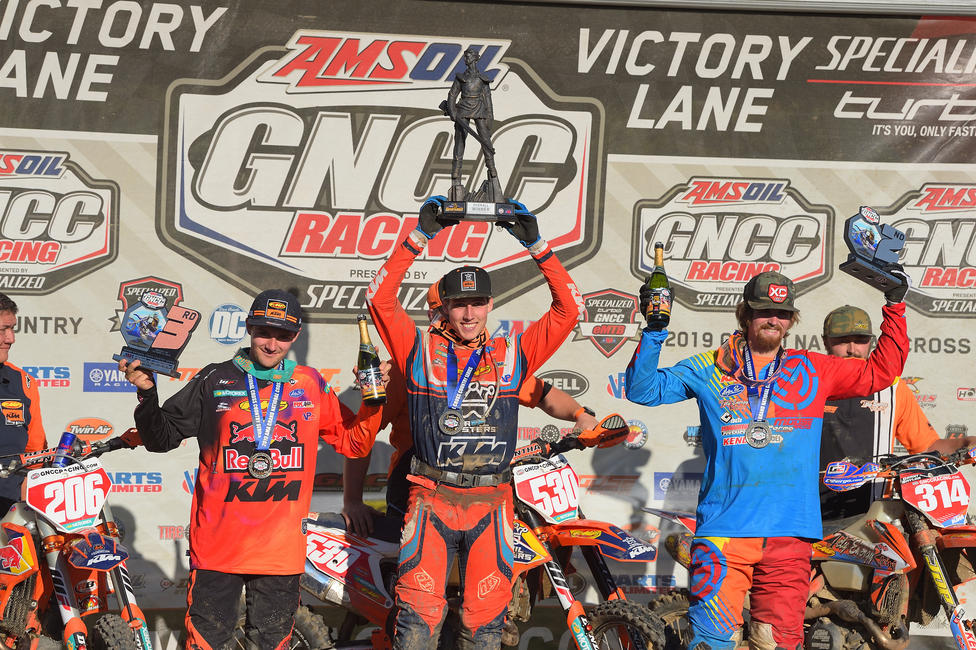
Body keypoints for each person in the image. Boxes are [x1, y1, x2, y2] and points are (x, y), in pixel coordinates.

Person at [625, 270, 910, 650]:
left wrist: (895, 303)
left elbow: (881, 371)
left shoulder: (813, 368)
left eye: (782, 312)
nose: (773, 320)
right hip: (724, 535)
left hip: (790, 536)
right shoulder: (708, 367)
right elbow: (642, 390)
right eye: (763, 311)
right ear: (745, 314)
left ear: (791, 320)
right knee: (711, 643)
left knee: (777, 644)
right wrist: (655, 329)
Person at [366, 196, 581, 649]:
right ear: (443, 307)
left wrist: (539, 247)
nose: (469, 314)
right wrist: (418, 236)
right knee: (418, 620)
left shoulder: (511, 354)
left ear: (489, 306)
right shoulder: (419, 349)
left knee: (484, 622)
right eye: (459, 304)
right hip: (430, 497)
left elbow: (568, 311)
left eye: (478, 303)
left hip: (492, 501)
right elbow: (379, 298)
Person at [118, 289, 388, 650]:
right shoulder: (215, 379)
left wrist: (374, 404)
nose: (272, 344)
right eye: (264, 331)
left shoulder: (309, 383)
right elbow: (161, 437)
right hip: (218, 548)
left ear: (294, 337)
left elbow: (355, 443)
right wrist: (147, 394)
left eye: (283, 335)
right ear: (248, 328)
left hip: (280, 551)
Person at [343, 279, 597, 535]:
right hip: (418, 484)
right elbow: (362, 436)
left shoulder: (492, 362)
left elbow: (543, 394)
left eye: (470, 307)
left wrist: (581, 414)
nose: (458, 318)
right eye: (444, 311)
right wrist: (352, 501)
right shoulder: (410, 365)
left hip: (480, 485)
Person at [819, 304, 976, 520]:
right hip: (811, 513)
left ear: (871, 342)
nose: (852, 349)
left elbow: (928, 447)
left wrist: (967, 443)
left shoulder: (893, 388)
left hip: (874, 516)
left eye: (860, 340)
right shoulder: (807, 384)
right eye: (842, 340)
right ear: (825, 341)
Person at [0, 293, 46, 514]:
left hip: (13, 512)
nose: (11, 338)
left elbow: (35, 451)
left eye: (12, 329)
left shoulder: (23, 382)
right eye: (2, 329)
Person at [444, 46, 499, 200]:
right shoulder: (461, 77)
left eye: (468, 56)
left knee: (486, 142)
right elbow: (452, 95)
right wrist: (453, 112)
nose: (465, 59)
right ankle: (456, 174)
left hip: (479, 109)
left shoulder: (482, 79)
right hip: (463, 109)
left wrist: (490, 117)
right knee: (460, 143)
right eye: (465, 56)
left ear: (475, 58)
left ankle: (492, 169)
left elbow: (488, 100)